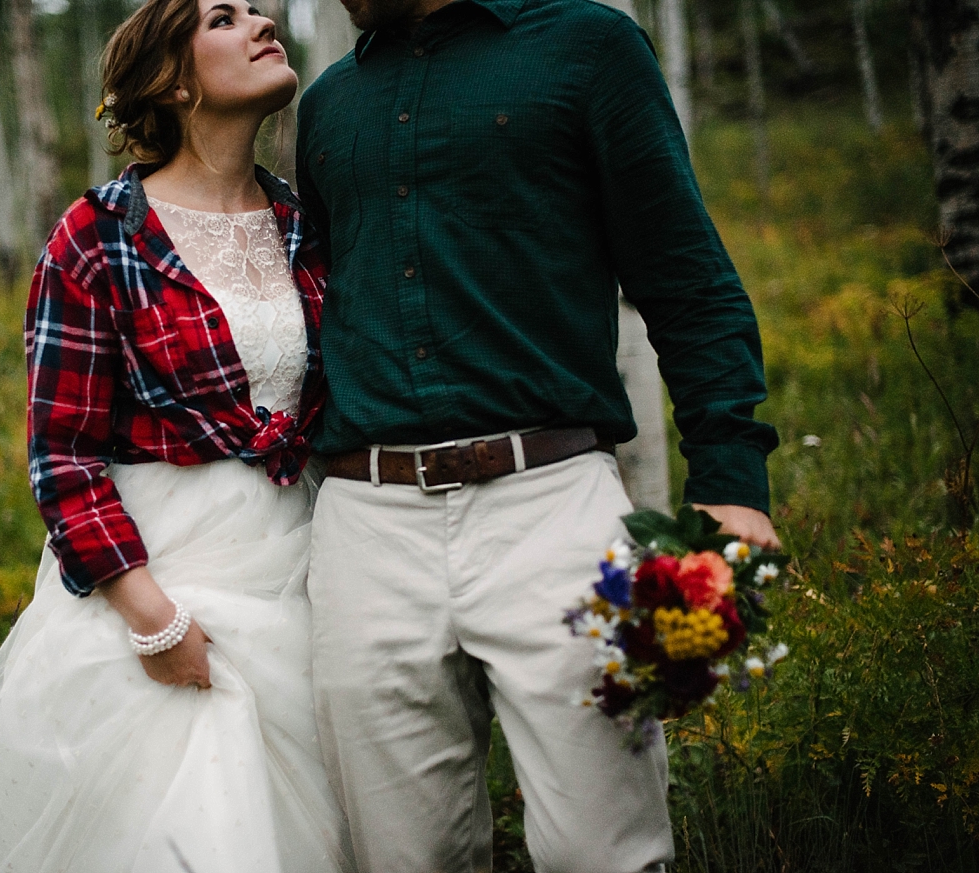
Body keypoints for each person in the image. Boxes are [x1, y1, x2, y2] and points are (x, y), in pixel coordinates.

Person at [295, 0, 781, 870]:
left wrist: (732, 482)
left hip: (552, 501)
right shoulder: (329, 104)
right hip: (364, 524)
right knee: (400, 857)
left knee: (605, 848)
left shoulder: (587, 48)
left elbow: (689, 282)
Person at [0, 1, 354, 870]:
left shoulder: (307, 224)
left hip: (300, 571)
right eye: (227, 17)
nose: (263, 21)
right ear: (175, 80)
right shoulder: (99, 237)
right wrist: (152, 620)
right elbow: (62, 451)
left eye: (260, 9)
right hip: (157, 582)